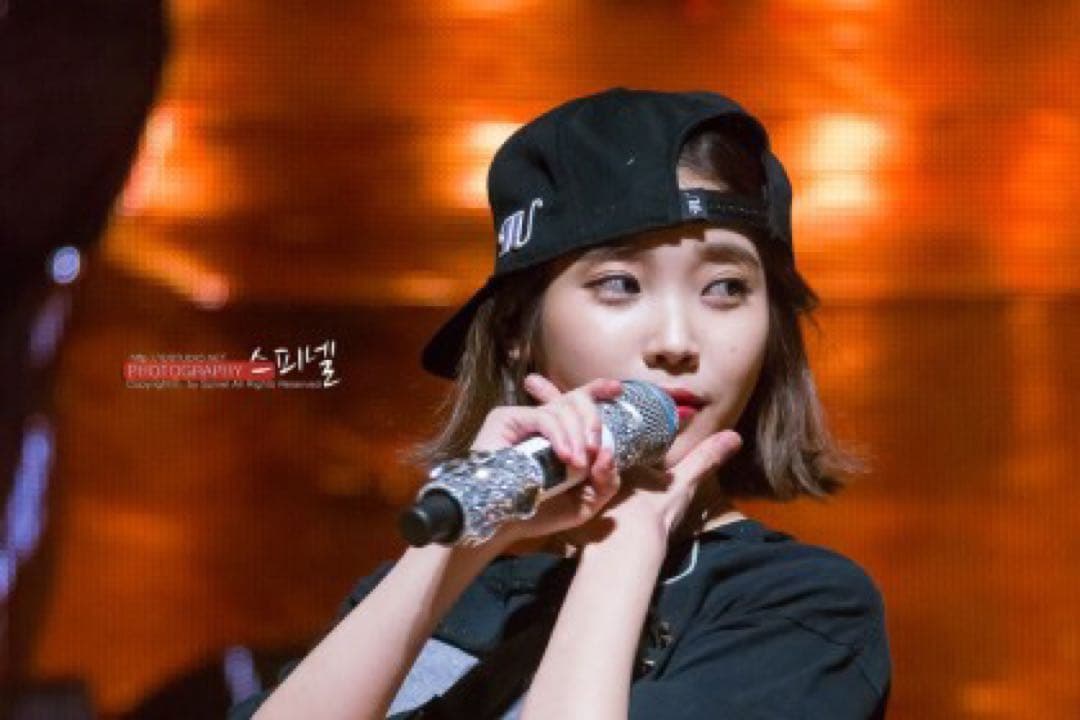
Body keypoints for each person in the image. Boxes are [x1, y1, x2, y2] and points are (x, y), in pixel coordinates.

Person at [231, 88, 891, 719]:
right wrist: (459, 540)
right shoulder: (436, 593)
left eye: (724, 287)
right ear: (517, 333)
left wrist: (622, 538)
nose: (676, 341)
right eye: (620, 284)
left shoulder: (798, 609)